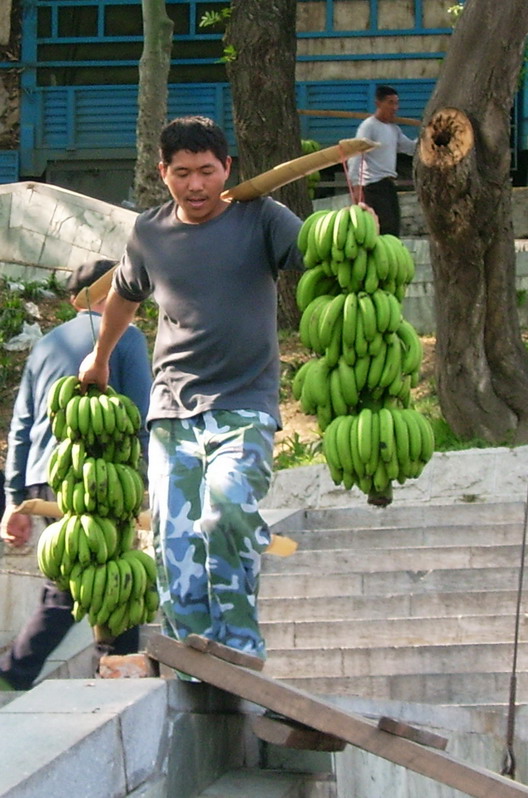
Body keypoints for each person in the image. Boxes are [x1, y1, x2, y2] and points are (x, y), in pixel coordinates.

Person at [78, 115, 304, 662]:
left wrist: (355, 227)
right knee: (172, 542)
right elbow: (125, 297)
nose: (195, 185)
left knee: (225, 513)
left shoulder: (264, 219)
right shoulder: (150, 232)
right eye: (182, 173)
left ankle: (239, 647)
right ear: (163, 173)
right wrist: (100, 356)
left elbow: (322, 259)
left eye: (206, 171)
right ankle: (191, 654)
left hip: (245, 404)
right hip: (172, 409)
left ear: (227, 168)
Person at [0, 258, 152, 691]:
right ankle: (103, 672)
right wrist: (143, 478)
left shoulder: (45, 344)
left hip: (44, 476)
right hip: (99, 481)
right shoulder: (126, 336)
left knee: (71, 580)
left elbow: (22, 423)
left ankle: (26, 669)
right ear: (117, 291)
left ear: (71, 301)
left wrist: (15, 499)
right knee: (108, 578)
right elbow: (140, 413)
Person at [347, 84, 417, 237]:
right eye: (390, 103)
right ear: (379, 103)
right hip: (373, 185)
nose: (395, 107)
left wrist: (427, 139)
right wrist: (356, 186)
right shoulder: (369, 126)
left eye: (396, 103)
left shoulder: (394, 129)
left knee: (394, 226)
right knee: (383, 227)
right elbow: (356, 155)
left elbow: (409, 147)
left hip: (388, 183)